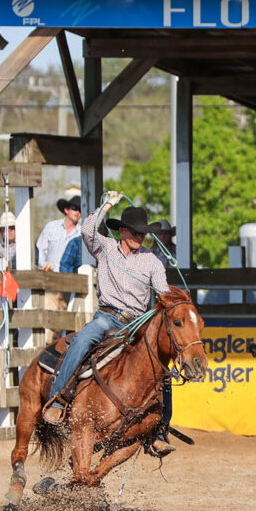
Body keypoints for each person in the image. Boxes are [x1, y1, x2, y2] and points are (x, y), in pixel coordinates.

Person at [43, 193, 172, 458]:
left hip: (137, 322)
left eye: (143, 233)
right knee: (82, 340)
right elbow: (87, 229)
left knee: (162, 370)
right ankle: (58, 398)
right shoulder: (106, 249)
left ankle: (159, 431)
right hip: (107, 317)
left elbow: (164, 294)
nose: (140, 237)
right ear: (122, 231)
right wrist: (107, 205)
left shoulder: (152, 261)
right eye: (135, 232)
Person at [36, 195, 81, 271]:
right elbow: (40, 249)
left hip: (70, 276)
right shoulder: (51, 227)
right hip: (48, 274)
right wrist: (44, 265)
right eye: (74, 208)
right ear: (66, 210)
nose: (77, 212)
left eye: (80, 210)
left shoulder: (82, 233)